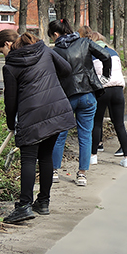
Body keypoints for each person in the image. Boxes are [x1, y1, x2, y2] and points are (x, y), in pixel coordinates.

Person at [0, 30, 76, 224]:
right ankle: (43, 202)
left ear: (8, 45)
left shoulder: (11, 66)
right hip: (57, 110)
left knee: (29, 159)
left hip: (32, 116)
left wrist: (10, 124)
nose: (3, 55)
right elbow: (66, 69)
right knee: (46, 157)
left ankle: (24, 206)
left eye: (1, 51)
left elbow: (11, 100)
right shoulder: (45, 51)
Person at [48, 19, 112, 187]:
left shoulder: (56, 51)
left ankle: (53, 171)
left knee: (60, 134)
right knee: (85, 135)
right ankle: (82, 174)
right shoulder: (84, 42)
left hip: (66, 96)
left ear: (56, 34)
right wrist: (105, 76)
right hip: (87, 94)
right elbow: (106, 55)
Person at [88, 31, 127, 168]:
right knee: (119, 124)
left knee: (97, 123)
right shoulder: (113, 52)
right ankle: (126, 157)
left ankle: (93, 156)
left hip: (103, 90)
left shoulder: (91, 53)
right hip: (118, 89)